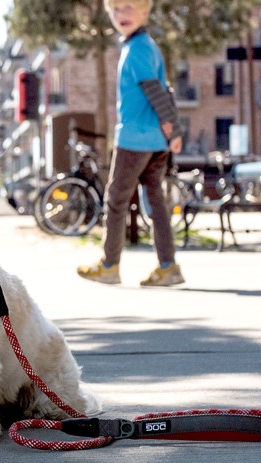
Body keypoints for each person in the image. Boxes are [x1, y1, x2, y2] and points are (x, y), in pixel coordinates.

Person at [77, 0, 184, 286]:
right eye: (116, 10)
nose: (121, 15)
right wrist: (172, 133)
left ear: (145, 11)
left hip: (135, 137)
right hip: (155, 142)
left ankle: (109, 265)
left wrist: (174, 130)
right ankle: (168, 266)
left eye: (129, 7)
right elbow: (163, 88)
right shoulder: (145, 45)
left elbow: (155, 90)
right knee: (156, 200)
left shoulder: (137, 49)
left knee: (115, 201)